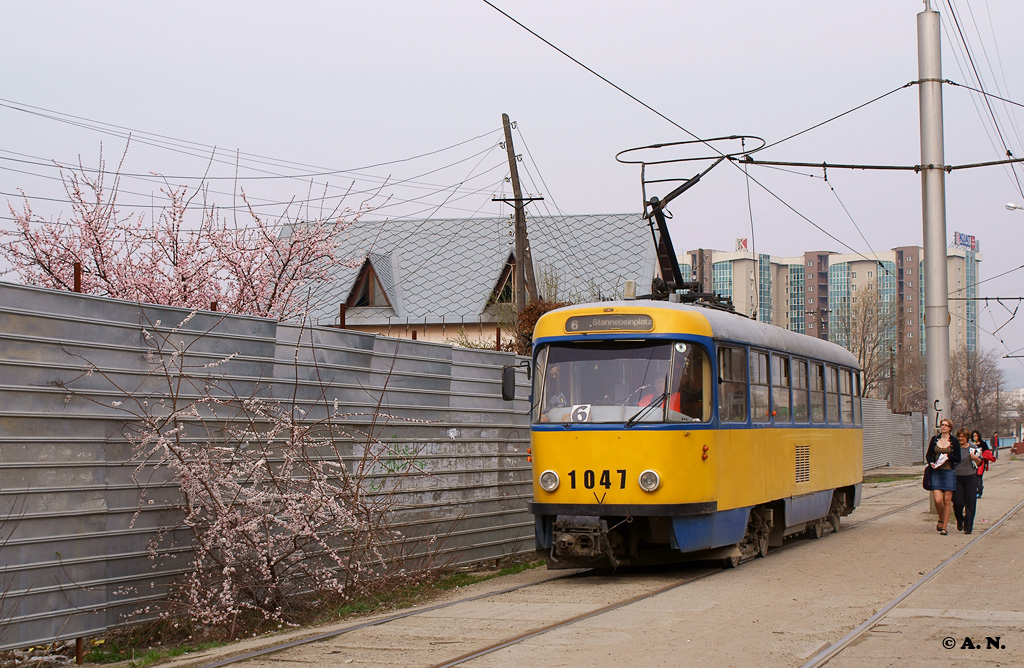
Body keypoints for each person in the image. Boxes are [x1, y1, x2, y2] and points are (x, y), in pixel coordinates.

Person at [925, 418, 960, 535]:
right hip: (936, 472)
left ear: (950, 428)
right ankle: (941, 517)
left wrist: (948, 457)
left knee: (947, 500)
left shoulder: (954, 441)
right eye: (942, 425)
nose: (943, 427)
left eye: (946, 425)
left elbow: (958, 458)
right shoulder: (935, 440)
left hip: (948, 472)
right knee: (937, 499)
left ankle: (944, 527)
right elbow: (929, 455)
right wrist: (931, 462)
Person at [952, 428, 984, 534]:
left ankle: (968, 526)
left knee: (970, 503)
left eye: (963, 436)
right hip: (957, 477)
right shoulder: (954, 448)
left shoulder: (973, 448)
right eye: (959, 436)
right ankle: (960, 519)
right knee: (957, 502)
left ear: (967, 438)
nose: (961, 438)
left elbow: (979, 462)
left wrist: (975, 458)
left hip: (970, 477)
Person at [971, 430, 994, 498]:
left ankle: (979, 491)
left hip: (981, 463)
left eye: (975, 436)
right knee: (973, 478)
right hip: (973, 463)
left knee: (979, 477)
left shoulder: (983, 444)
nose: (974, 437)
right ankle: (974, 491)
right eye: (973, 436)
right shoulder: (971, 444)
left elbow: (987, 452)